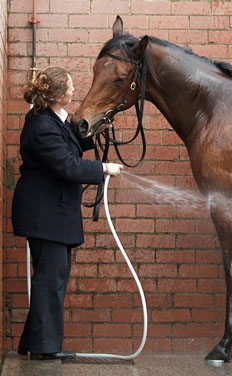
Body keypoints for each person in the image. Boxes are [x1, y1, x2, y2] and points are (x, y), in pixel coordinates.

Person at [11, 66, 123, 360]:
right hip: (45, 216)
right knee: (51, 280)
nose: (75, 91)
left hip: (53, 215)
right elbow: (67, 166)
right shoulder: (40, 125)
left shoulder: (51, 120)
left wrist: (94, 133)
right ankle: (46, 350)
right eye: (71, 87)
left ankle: (32, 344)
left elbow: (69, 144)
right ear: (59, 95)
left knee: (51, 279)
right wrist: (102, 168)